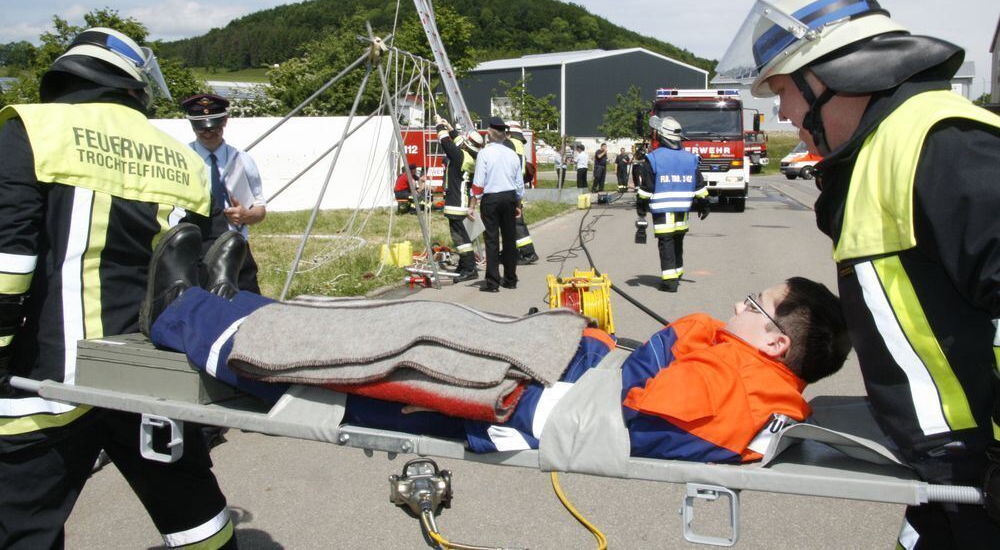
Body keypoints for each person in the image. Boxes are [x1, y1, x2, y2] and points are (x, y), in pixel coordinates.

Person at [715, 0, 1000, 547]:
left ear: (826, 77)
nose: (781, 113)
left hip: (979, 467)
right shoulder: (881, 150)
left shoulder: (947, 145)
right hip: (940, 467)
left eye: (783, 92)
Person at [143, 248, 849, 464]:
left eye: (751, 306)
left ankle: (183, 314)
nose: (736, 309)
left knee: (368, 351)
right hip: (555, 368)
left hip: (523, 397)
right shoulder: (749, 374)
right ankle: (230, 303)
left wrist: (680, 335)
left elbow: (639, 414)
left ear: (776, 341)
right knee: (406, 317)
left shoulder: (744, 389)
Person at [0, 28, 236, 548]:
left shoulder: (32, 130)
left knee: (22, 524)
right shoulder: (185, 158)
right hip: (151, 372)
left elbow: (8, 260)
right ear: (133, 82)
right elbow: (224, 267)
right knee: (195, 512)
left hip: (46, 377)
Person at [182, 93, 267, 294]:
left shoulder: (243, 160)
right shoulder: (183, 160)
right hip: (195, 250)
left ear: (225, 121)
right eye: (200, 128)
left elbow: (260, 208)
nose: (207, 133)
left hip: (235, 247)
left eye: (213, 127)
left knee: (247, 307)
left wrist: (247, 215)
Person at [636, 117, 710, 292]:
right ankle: (677, 272)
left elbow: (647, 187)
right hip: (683, 210)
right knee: (678, 241)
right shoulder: (690, 158)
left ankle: (670, 282)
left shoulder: (653, 158)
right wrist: (704, 204)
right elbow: (699, 185)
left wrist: (641, 206)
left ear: (661, 135)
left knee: (666, 242)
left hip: (663, 209)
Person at [468, 117, 524, 292]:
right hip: (509, 198)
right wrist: (518, 204)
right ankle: (510, 279)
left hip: (491, 199)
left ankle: (493, 282)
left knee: (492, 240)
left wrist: (472, 204)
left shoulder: (485, 153)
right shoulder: (513, 154)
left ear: (490, 134)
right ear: (504, 136)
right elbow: (519, 183)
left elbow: (478, 182)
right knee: (509, 239)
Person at [435, 116, 483, 282]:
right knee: (462, 236)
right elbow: (457, 142)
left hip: (456, 204)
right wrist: (450, 127)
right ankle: (464, 265)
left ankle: (469, 269)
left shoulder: (460, 156)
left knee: (460, 239)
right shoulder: (468, 158)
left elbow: (446, 142)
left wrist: (439, 125)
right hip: (460, 202)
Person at [504, 123, 539, 265]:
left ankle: (528, 253)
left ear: (509, 134)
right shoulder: (519, 146)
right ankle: (514, 251)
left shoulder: (510, 144)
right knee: (512, 223)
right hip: (515, 189)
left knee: (516, 223)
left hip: (510, 189)